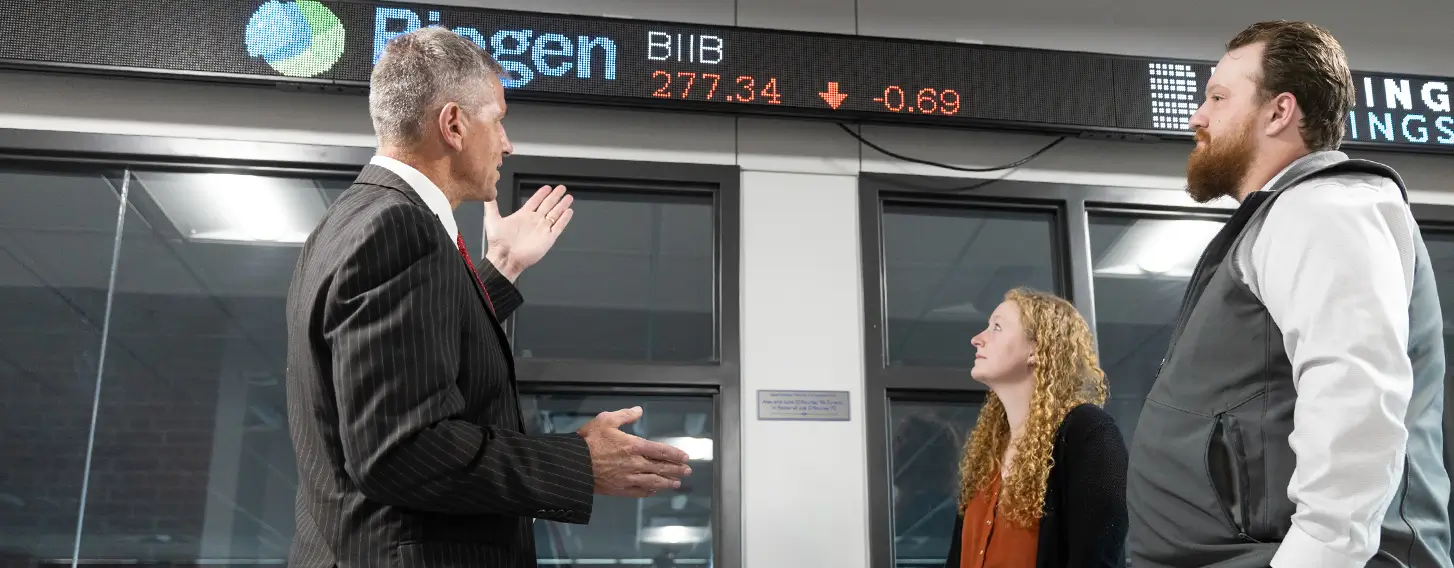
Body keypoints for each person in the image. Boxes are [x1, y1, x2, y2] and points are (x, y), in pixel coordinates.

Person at [284, 27, 692, 568]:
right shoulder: (398, 229)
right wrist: (579, 463)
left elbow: (409, 356)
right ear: (453, 125)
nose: (506, 142)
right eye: (498, 119)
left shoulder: (348, 223)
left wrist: (500, 270)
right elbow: (399, 450)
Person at [1125, 21, 1451, 568]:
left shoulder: (1324, 207)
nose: (1197, 117)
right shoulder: (1286, 216)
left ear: (1279, 112)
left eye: (1218, 97)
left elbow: (1356, 396)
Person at [944, 288, 1128, 568]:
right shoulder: (988, 448)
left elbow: (1096, 560)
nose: (977, 339)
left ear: (1037, 348)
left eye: (996, 327)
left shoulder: (1088, 434)